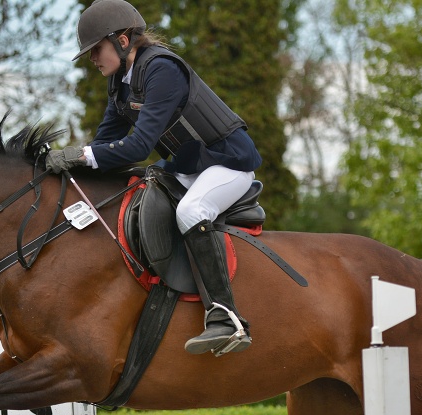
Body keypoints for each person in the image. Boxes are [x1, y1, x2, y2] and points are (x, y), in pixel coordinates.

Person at [45, 0, 261, 356]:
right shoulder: (120, 84)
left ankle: (226, 319)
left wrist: (79, 155)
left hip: (228, 163)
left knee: (191, 212)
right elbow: (103, 145)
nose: (92, 59)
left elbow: (137, 146)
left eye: (96, 49)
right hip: (189, 168)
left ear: (123, 41)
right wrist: (68, 164)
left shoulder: (161, 70)